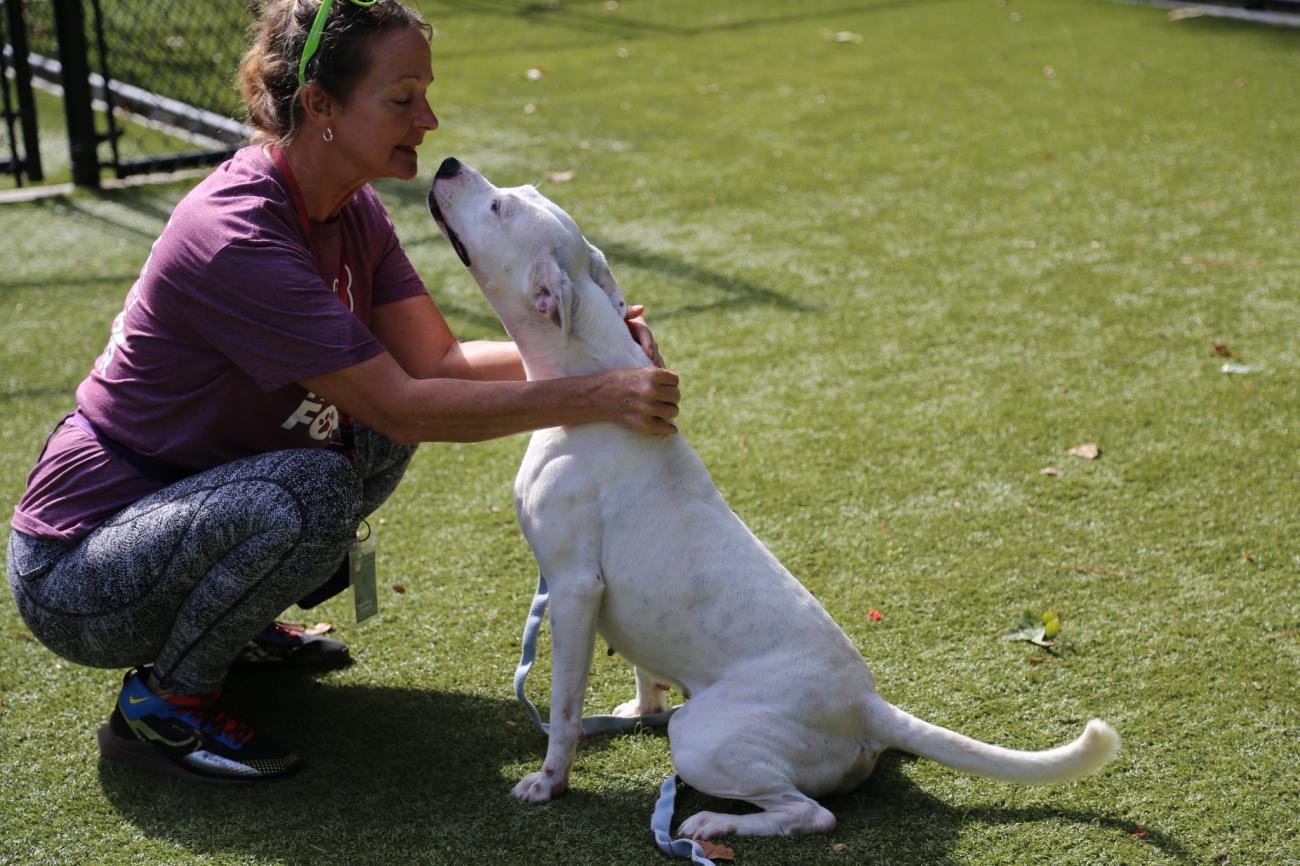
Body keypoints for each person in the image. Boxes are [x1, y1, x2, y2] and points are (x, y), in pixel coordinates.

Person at [5, 0, 678, 785]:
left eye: (424, 93)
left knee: (363, 443)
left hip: (178, 508)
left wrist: (602, 355)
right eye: (401, 99)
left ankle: (235, 625)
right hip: (78, 570)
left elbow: (441, 365)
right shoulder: (238, 235)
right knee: (318, 483)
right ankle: (165, 706)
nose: (427, 118)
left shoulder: (351, 207)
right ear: (320, 106)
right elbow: (400, 401)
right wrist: (595, 395)